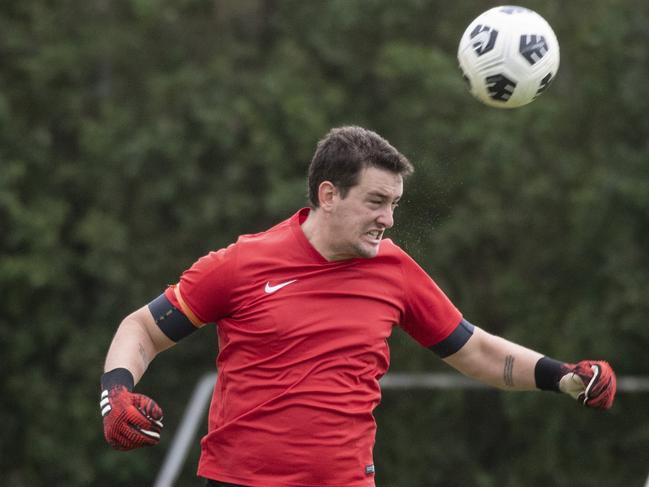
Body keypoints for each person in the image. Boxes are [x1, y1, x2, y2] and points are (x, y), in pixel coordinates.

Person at [99, 126, 616, 487]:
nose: (388, 219)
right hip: (238, 483)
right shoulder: (241, 264)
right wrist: (116, 392)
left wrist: (562, 376)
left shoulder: (394, 270)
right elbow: (142, 328)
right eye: (375, 202)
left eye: (394, 204)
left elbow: (474, 349)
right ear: (328, 194)